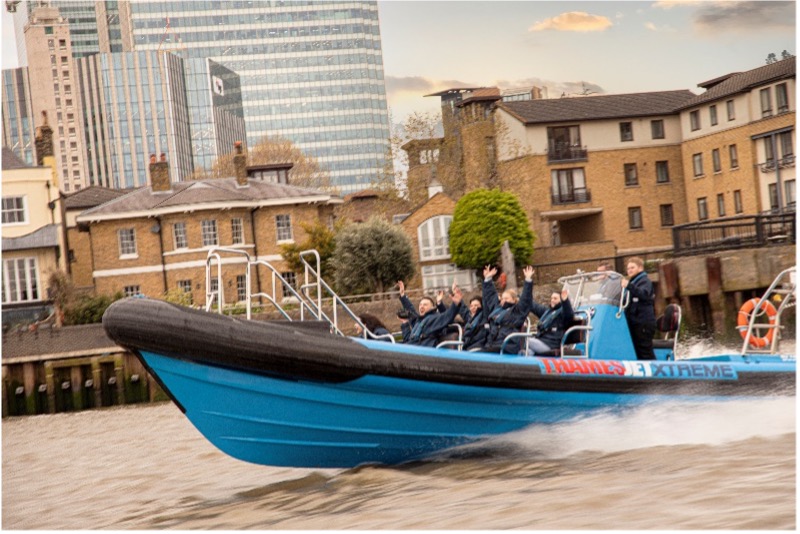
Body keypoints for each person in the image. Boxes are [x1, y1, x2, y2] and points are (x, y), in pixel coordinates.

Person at [480, 265, 534, 354]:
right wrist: (488, 279)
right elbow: (490, 295)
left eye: (507, 299)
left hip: (507, 345)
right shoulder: (498, 308)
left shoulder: (517, 311)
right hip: (493, 343)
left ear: (514, 300)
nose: (503, 301)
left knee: (484, 352)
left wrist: (528, 280)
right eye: (502, 298)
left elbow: (526, 299)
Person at [396, 280, 463, 347]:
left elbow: (447, 316)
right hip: (412, 348)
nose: (421, 306)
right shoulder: (418, 321)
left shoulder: (434, 319)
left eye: (425, 305)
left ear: (432, 308)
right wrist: (402, 295)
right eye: (420, 305)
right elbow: (411, 310)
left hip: (423, 351)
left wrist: (455, 304)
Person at [620, 256, 657, 360]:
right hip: (635, 323)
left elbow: (644, 294)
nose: (629, 270)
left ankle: (653, 373)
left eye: (632, 267)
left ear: (640, 268)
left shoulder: (645, 281)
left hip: (643, 323)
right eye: (628, 268)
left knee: (645, 351)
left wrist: (629, 286)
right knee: (638, 351)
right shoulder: (634, 282)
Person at [525, 289, 575, 355]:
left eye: (555, 298)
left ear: (561, 300)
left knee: (524, 340)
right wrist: (522, 298)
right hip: (541, 341)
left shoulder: (562, 314)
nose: (552, 300)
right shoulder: (548, 312)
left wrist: (565, 301)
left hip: (551, 345)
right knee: (528, 351)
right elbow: (535, 306)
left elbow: (569, 314)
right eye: (551, 298)